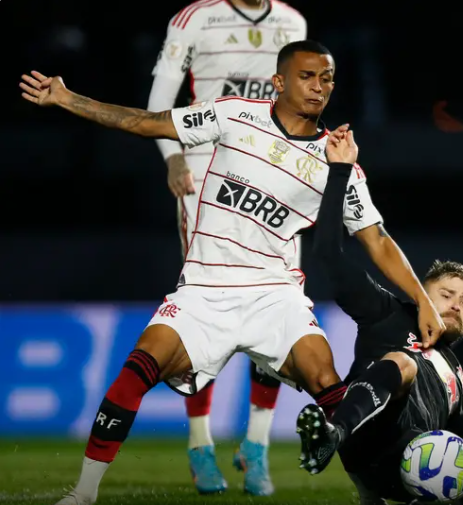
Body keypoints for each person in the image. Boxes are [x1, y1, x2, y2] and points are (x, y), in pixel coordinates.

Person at [20, 39, 445, 505]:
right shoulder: (234, 114)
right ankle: (83, 494)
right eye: (307, 76)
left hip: (275, 296)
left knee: (328, 386)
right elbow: (149, 124)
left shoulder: (338, 160)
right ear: (279, 81)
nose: (319, 87)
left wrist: (423, 300)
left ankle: (371, 492)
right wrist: (66, 98)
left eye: (327, 78)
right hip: (205, 289)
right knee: (135, 371)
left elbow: (376, 240)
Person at [293, 130, 463, 505]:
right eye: (446, 294)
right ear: (422, 293)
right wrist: (339, 172)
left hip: (406, 470)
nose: (457, 304)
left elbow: (462, 449)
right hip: (364, 442)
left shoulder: (456, 374)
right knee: (402, 363)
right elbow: (328, 254)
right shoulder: (388, 313)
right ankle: (331, 435)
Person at [147, 0, 307, 495]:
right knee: (205, 309)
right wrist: (172, 157)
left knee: (279, 309)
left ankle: (256, 447)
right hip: (203, 174)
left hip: (275, 177)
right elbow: (160, 98)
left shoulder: (293, 21)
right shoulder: (195, 18)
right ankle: (200, 445)